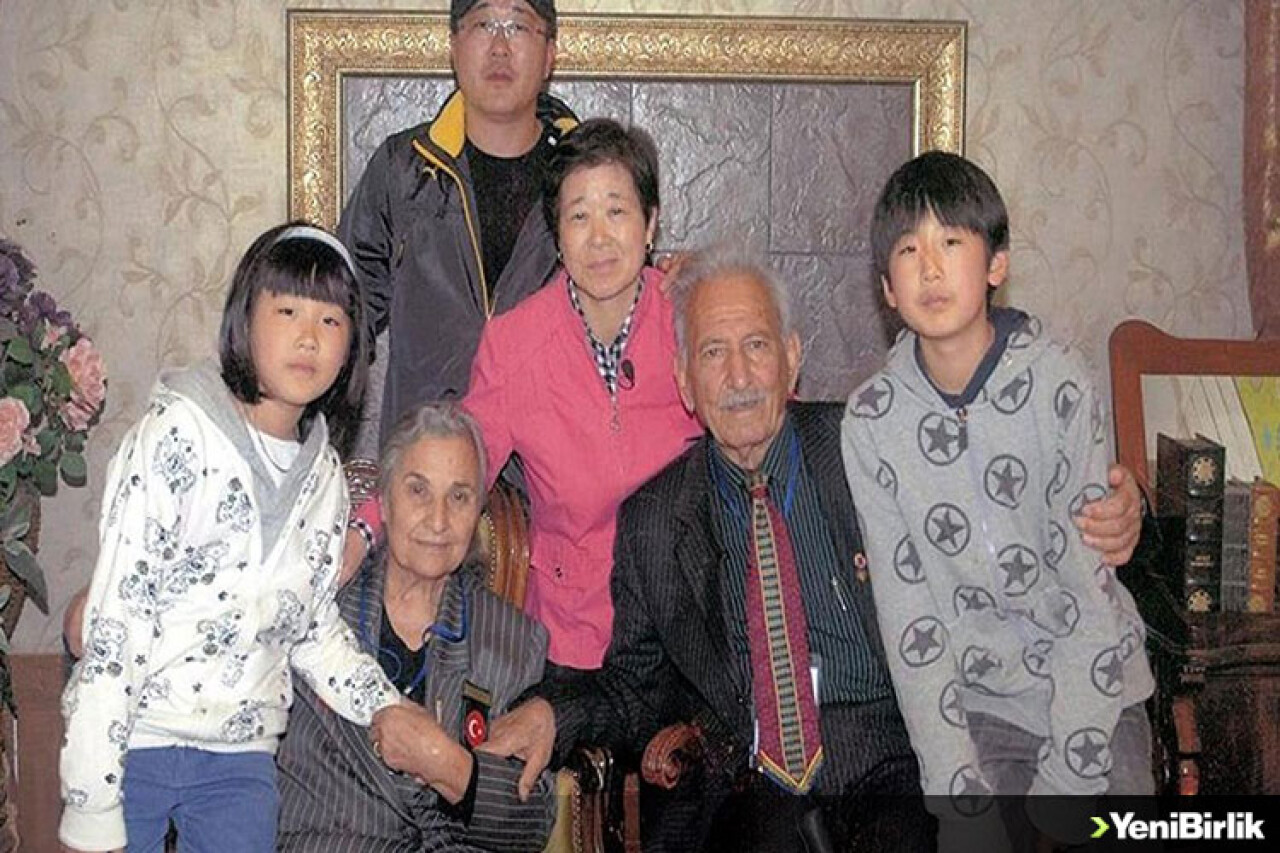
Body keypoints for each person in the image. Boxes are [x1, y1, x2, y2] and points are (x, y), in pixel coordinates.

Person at [425, 245, 1147, 852]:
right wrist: (554, 715)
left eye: (757, 346)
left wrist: (1126, 504)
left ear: (792, 358)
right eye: (714, 353)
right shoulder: (654, 520)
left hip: (896, 756)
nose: (739, 377)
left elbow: (1001, 496)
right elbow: (632, 685)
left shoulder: (866, 445)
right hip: (753, 783)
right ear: (684, 381)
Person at [841, 151, 1155, 851]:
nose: (930, 268)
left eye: (951, 242)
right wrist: (959, 797)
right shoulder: (871, 423)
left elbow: (1088, 592)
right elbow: (910, 624)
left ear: (996, 263)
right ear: (886, 286)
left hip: (1099, 693)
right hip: (982, 708)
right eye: (908, 250)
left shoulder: (1058, 384)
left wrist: (1069, 784)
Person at [58, 224, 405, 853]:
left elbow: (310, 626)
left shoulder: (326, 481)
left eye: (331, 320)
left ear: (353, 347)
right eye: (288, 311)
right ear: (245, 321)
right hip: (134, 739)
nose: (309, 336)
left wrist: (385, 705)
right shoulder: (175, 436)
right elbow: (118, 616)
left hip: (240, 760)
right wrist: (91, 797)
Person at [346, 119, 702, 674]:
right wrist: (365, 527)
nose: (599, 237)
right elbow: (462, 456)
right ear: (557, 236)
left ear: (650, 223)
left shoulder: (694, 320)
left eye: (617, 211)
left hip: (690, 633)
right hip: (574, 641)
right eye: (578, 216)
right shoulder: (516, 343)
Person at [277, 402, 556, 852]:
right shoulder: (318, 606)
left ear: (478, 512)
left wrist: (448, 766)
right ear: (384, 503)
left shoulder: (511, 640)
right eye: (418, 491)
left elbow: (531, 824)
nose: (438, 520)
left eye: (459, 497)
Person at [339, 0, 574, 446]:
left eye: (518, 26)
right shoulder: (403, 170)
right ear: (454, 46)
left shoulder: (586, 174)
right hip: (424, 459)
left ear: (549, 55)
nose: (500, 47)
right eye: (483, 24)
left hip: (548, 465)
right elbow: (343, 309)